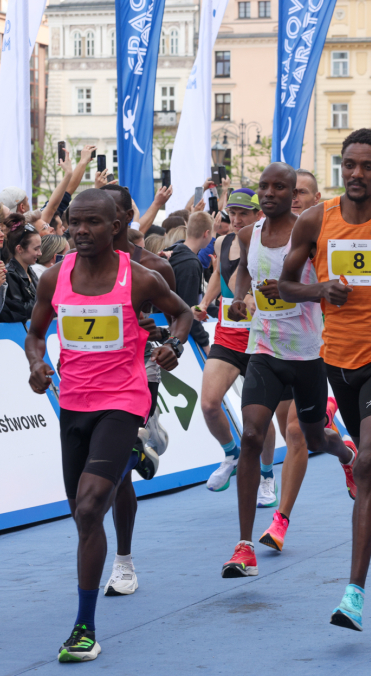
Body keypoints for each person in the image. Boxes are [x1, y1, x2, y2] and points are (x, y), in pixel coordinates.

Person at [25, 188, 192, 662]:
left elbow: (181, 314)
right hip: (74, 405)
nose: (80, 230)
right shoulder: (54, 278)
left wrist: (174, 347)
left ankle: (84, 627)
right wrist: (37, 365)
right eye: (73, 222)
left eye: (92, 222)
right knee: (80, 515)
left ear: (114, 226)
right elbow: (35, 334)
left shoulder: (139, 278)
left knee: (89, 507)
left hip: (124, 400)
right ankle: (129, 460)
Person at [279, 128, 371, 632]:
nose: (357, 174)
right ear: (339, 167)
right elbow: (283, 284)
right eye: (349, 165)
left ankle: (354, 594)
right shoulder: (314, 218)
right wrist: (319, 289)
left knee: (364, 461)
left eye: (367, 166)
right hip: (338, 359)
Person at [220, 163, 358, 578]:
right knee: (251, 435)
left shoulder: (312, 234)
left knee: (314, 437)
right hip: (264, 349)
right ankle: (243, 546)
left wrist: (317, 291)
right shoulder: (248, 235)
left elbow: (334, 287)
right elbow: (244, 269)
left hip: (310, 355)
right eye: (264, 186)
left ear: (294, 192)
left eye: (280, 187)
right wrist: (241, 297)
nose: (269, 193)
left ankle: (345, 453)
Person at [97, 182, 180, 596]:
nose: (96, 225)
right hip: (90, 380)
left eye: (105, 215)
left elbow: (181, 320)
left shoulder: (153, 269)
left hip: (139, 372)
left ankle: (123, 562)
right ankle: (150, 437)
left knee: (118, 472)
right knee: (104, 474)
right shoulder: (70, 268)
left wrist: (167, 340)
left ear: (124, 219)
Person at [194, 194, 283, 503]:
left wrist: (253, 301)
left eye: (243, 213)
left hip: (260, 340)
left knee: (258, 418)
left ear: (258, 213)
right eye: (232, 212)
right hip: (228, 336)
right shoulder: (223, 243)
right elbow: (219, 274)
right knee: (208, 404)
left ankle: (268, 476)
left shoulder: (270, 243)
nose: (236, 218)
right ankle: (231, 454)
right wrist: (205, 302)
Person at [168, 211, 212, 352]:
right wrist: (205, 344)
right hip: (177, 335)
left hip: (165, 327)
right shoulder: (190, 264)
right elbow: (189, 311)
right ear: (206, 234)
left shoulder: (174, 250)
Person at [0, 222, 41, 323]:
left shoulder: (30, 270)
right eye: (36, 249)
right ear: (19, 249)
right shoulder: (10, 274)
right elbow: (20, 309)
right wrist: (46, 300)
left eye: (39, 248)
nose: (40, 253)